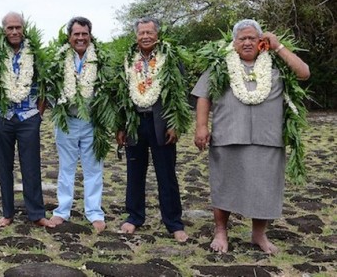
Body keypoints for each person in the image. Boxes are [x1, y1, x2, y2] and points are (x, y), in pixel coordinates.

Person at [193, 19, 310, 254]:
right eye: (242, 38)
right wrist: (201, 126)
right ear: (234, 42)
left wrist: (277, 47)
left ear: (261, 42)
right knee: (224, 184)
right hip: (228, 135)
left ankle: (259, 234)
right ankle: (221, 231)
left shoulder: (277, 64)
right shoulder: (220, 65)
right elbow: (203, 96)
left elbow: (304, 73)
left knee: (265, 187)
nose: (247, 42)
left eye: (252, 39)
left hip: (268, 137)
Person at [116, 17, 191, 242]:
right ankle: (134, 216)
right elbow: (120, 95)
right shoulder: (127, 59)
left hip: (162, 123)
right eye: (142, 33)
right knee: (135, 172)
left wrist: (175, 124)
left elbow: (180, 93)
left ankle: (174, 223)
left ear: (157, 35)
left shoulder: (170, 58)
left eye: (150, 32)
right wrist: (120, 126)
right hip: (135, 122)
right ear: (136, 36)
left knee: (166, 174)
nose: (146, 36)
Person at [0, 12, 54, 228]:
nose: (14, 31)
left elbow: (44, 84)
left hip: (28, 117)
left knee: (31, 166)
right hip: (3, 117)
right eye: (10, 28)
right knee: (4, 166)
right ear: (3, 30)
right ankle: (7, 212)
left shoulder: (35, 53)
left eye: (17, 27)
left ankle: (36, 213)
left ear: (24, 29)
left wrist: (39, 114)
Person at [48, 16, 109, 232]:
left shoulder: (100, 58)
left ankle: (94, 212)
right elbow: (50, 87)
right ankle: (62, 210)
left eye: (85, 34)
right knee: (66, 168)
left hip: (93, 122)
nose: (81, 38)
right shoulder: (58, 59)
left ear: (90, 36)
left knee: (94, 169)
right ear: (69, 37)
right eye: (77, 34)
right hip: (68, 122)